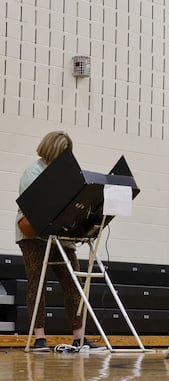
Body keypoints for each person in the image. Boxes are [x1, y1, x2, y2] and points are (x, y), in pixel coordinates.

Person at [16, 131, 104, 352]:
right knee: (37, 284)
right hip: (33, 236)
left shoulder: (67, 175)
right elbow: (31, 212)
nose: (65, 156)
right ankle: (39, 338)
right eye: (62, 151)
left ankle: (79, 338)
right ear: (52, 149)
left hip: (61, 236)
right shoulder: (33, 172)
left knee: (74, 285)